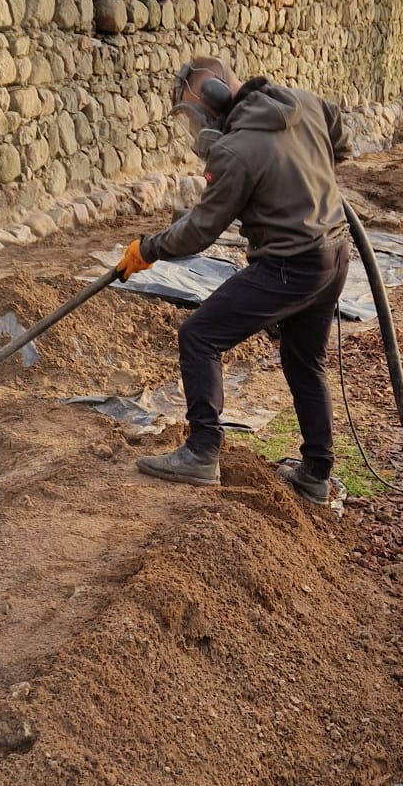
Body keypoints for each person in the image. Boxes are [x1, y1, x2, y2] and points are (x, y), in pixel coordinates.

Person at [120, 56, 351, 502]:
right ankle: (315, 474)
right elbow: (339, 139)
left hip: (290, 264)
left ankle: (202, 453)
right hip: (334, 256)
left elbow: (200, 232)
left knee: (199, 335)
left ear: (216, 97)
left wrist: (147, 249)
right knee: (305, 361)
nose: (196, 128)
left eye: (194, 116)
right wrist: (309, 178)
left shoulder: (234, 150)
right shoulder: (304, 102)